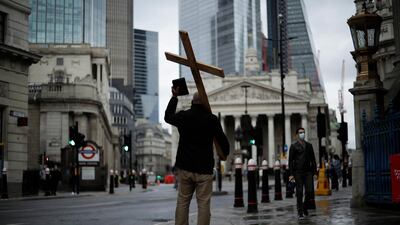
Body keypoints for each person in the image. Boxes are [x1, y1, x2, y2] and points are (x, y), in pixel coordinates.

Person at [165, 88, 230, 225]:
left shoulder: (184, 116)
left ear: (192, 102)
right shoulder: (211, 119)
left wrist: (174, 96)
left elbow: (168, 116)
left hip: (185, 167)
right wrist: (224, 153)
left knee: (183, 201)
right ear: (205, 102)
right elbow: (223, 140)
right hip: (204, 169)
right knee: (204, 204)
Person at [288, 127, 317, 219]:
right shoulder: (293, 146)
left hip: (308, 172)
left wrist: (315, 172)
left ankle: (304, 207)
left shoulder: (309, 145)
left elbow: (313, 160)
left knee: (309, 191)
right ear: (297, 135)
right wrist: (291, 174)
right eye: (300, 132)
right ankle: (300, 211)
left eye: (303, 132)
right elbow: (290, 161)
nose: (302, 134)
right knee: (299, 192)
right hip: (297, 172)